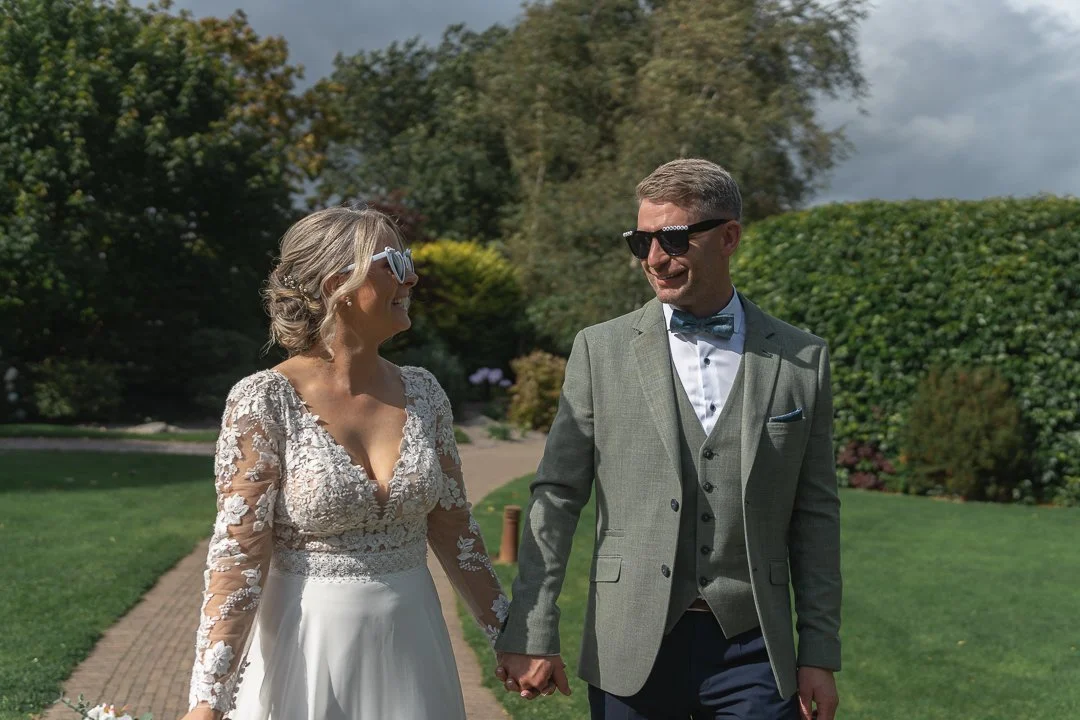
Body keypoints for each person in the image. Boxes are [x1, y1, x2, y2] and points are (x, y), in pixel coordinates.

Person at [494, 159, 842, 720]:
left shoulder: (800, 359)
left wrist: (820, 652)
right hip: (627, 644)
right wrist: (533, 627)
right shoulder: (599, 350)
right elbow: (556, 496)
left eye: (674, 239)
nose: (655, 259)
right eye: (641, 241)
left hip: (754, 650)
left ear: (728, 237)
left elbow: (817, 512)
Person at [181, 206, 508, 720]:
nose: (412, 276)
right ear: (340, 284)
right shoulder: (266, 401)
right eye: (393, 262)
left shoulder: (423, 392)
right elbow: (237, 558)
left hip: (414, 653)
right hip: (307, 653)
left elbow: (454, 529)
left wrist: (505, 635)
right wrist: (208, 701)